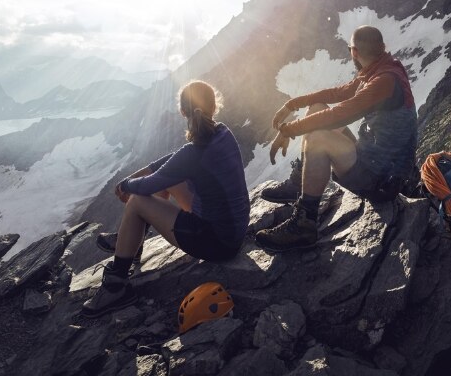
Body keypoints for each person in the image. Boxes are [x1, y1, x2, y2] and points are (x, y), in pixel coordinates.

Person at [80, 80, 249, 317]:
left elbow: (151, 184)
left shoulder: (194, 152)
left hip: (217, 243)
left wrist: (126, 184)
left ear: (182, 111)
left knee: (138, 201)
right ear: (215, 107)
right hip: (233, 232)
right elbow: (173, 162)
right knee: (169, 178)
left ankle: (116, 285)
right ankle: (130, 242)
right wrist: (135, 176)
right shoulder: (223, 133)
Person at [253, 25, 417, 251]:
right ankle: (298, 184)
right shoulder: (382, 69)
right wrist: (292, 104)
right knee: (317, 107)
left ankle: (305, 223)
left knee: (319, 138)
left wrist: (288, 130)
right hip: (374, 161)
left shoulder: (384, 82)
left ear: (354, 53)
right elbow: (337, 94)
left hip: (382, 180)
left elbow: (337, 115)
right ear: (383, 48)